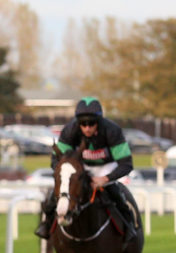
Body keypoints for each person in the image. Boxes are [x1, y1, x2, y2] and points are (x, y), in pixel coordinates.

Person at [34, 96, 137, 243]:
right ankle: (46, 224)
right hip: (80, 167)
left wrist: (105, 179)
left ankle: (129, 227)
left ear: (99, 122)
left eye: (91, 123)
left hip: (105, 168)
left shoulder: (112, 131)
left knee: (117, 195)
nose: (87, 128)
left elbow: (127, 163)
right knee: (53, 196)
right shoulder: (70, 130)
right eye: (83, 124)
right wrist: (63, 171)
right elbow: (56, 159)